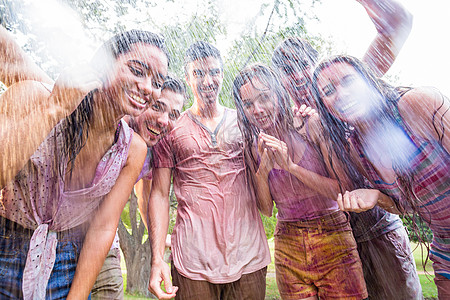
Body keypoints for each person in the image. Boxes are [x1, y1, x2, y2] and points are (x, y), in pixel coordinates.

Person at [0, 29, 170, 299]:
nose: (149, 87)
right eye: (138, 70)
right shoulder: (33, 96)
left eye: (158, 81)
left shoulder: (133, 150)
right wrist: (53, 109)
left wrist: (77, 296)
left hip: (68, 260)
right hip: (6, 243)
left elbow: (103, 227)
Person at [271, 1, 422, 299]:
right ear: (280, 79)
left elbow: (399, 23)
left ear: (317, 65)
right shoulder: (287, 124)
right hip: (333, 242)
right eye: (288, 70)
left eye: (303, 64)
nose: (298, 75)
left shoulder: (349, 87)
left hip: (377, 229)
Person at [311, 54, 449, 299]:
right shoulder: (356, 149)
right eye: (329, 90)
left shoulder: (415, 105)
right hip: (445, 248)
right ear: (324, 105)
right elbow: (404, 208)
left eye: (348, 81)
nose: (341, 94)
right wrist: (375, 196)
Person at [233, 63, 368, 299]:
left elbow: (342, 189)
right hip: (288, 242)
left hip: (333, 234)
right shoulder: (252, 146)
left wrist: (291, 168)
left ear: (278, 93)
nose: (257, 109)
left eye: (264, 98)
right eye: (248, 104)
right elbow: (266, 209)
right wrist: (262, 172)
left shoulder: (310, 125)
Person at [148, 41, 271, 300]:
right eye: (198, 73)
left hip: (248, 255)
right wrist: (157, 257)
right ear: (187, 78)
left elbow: (265, 178)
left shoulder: (244, 121)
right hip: (192, 261)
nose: (207, 80)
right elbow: (159, 193)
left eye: (214, 72)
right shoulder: (171, 128)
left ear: (222, 75)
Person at [91, 76, 186, 300]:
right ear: (143, 101)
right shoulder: (115, 126)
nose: (164, 120)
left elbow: (145, 197)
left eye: (173, 115)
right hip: (62, 229)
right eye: (157, 107)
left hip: (105, 241)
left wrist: (160, 242)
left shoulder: (153, 148)